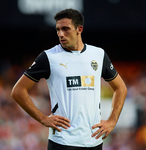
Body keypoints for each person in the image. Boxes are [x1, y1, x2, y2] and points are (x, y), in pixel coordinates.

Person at [11, 8, 127, 150]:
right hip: (62, 141)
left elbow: (121, 88)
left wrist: (112, 121)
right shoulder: (49, 57)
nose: (60, 34)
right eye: (58, 30)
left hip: (93, 141)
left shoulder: (98, 54)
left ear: (79, 29)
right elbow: (18, 91)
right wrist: (43, 118)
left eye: (65, 29)